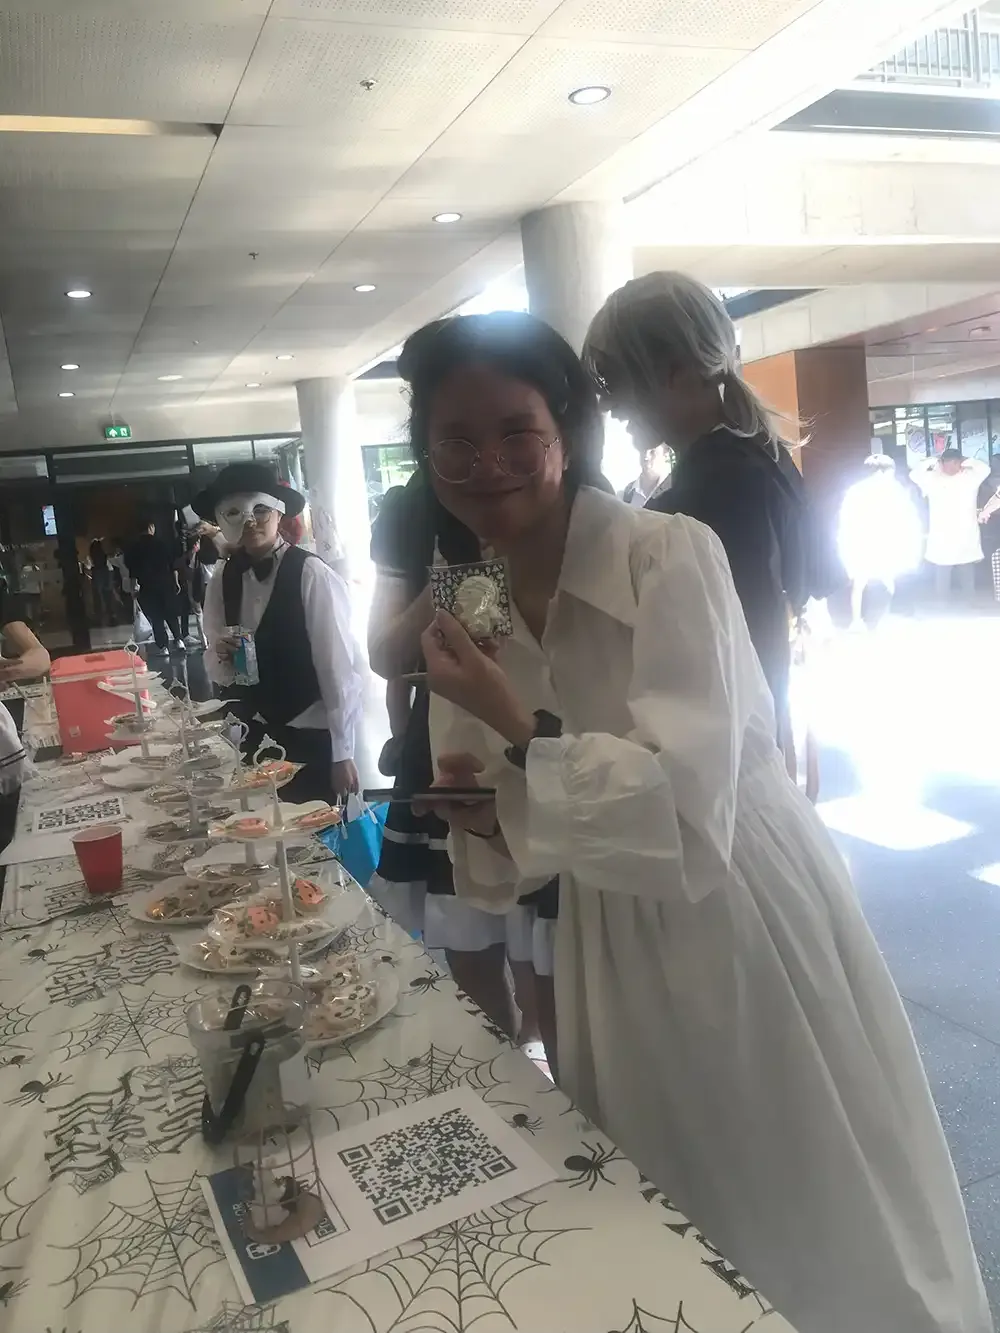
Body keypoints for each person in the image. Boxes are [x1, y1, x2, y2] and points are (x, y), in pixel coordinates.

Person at [408, 309, 989, 1333]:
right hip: (603, 924)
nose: (486, 465)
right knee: (663, 1190)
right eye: (454, 442)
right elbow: (511, 831)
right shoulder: (474, 594)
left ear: (567, 431)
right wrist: (482, 813)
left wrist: (516, 728)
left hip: (733, 900)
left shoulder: (667, 553)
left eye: (514, 433)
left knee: (792, 1180)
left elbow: (685, 809)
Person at [583, 272, 827, 738]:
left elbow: (728, 656)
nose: (606, 404)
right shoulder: (756, 457)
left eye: (614, 380)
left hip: (721, 750)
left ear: (676, 373)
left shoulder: (718, 486)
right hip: (748, 738)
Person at [367, 470, 556, 1064]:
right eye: (455, 438)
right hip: (449, 750)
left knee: (547, 964)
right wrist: (451, 583)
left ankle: (547, 1080)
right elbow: (383, 656)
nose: (485, 460)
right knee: (470, 960)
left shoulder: (561, 497)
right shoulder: (412, 512)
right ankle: (505, 1084)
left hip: (542, 743)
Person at [196, 462, 364, 804]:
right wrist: (221, 655)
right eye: (235, 512)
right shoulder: (222, 579)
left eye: (260, 509)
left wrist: (343, 753)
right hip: (250, 734)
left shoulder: (311, 573)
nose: (250, 521)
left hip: (308, 732)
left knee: (315, 828)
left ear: (278, 512)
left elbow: (338, 667)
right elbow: (215, 660)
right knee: (258, 827)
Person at [838, 453, 923, 627]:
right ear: (881, 472)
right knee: (875, 581)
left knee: (866, 583)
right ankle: (869, 619)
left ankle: (862, 620)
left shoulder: (859, 490)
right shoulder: (891, 489)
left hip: (871, 541)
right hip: (873, 542)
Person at [911, 449, 990, 600]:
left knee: (966, 570)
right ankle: (942, 605)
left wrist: (966, 460)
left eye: (955, 463)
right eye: (947, 463)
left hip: (965, 533)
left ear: (960, 463)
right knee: (942, 571)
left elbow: (985, 469)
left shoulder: (969, 477)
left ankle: (970, 603)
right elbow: (914, 474)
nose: (951, 467)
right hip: (942, 534)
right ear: (941, 463)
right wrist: (933, 460)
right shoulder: (932, 478)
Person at [124, 516, 183, 655]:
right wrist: (176, 582)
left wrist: (133, 589)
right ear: (151, 527)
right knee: (170, 613)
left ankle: (163, 647)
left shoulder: (134, 548)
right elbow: (172, 565)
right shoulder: (162, 544)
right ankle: (179, 640)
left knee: (157, 617)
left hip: (147, 586)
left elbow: (132, 572)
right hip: (165, 583)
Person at [620, 441, 670, 507]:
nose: (646, 456)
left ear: (666, 453)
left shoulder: (674, 490)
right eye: (643, 450)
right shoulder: (624, 494)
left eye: (652, 452)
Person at [88, 538, 116, 626]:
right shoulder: (103, 554)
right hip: (105, 573)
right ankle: (111, 616)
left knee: (97, 597)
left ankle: (98, 617)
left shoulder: (92, 555)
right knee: (107, 597)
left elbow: (89, 565)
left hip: (97, 574)